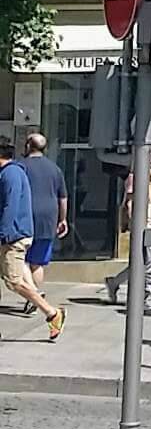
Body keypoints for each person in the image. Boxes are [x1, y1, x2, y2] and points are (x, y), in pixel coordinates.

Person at [0, 137, 65, 339]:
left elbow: (9, 206)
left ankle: (52, 312)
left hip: (13, 236)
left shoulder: (11, 174)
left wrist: (3, 234)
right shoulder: (16, 171)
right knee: (26, 271)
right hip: (23, 231)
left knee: (15, 281)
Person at [105, 147, 151, 308]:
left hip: (150, 223)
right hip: (142, 226)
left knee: (141, 261)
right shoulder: (135, 177)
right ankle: (146, 294)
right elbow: (130, 202)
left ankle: (115, 282)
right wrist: (136, 224)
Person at [21, 133, 68, 310]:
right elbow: (63, 197)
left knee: (20, 260)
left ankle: (33, 293)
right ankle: (34, 296)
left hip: (25, 217)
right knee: (37, 262)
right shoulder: (55, 169)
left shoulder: (20, 166)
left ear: (27, 146)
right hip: (48, 218)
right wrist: (62, 219)